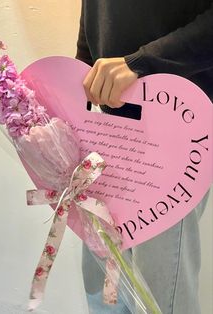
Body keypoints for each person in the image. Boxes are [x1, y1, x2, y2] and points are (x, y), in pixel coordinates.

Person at [75, 1, 213, 313]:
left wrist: (141, 62)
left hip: (176, 126)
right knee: (105, 288)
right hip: (108, 126)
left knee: (160, 297)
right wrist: (78, 73)